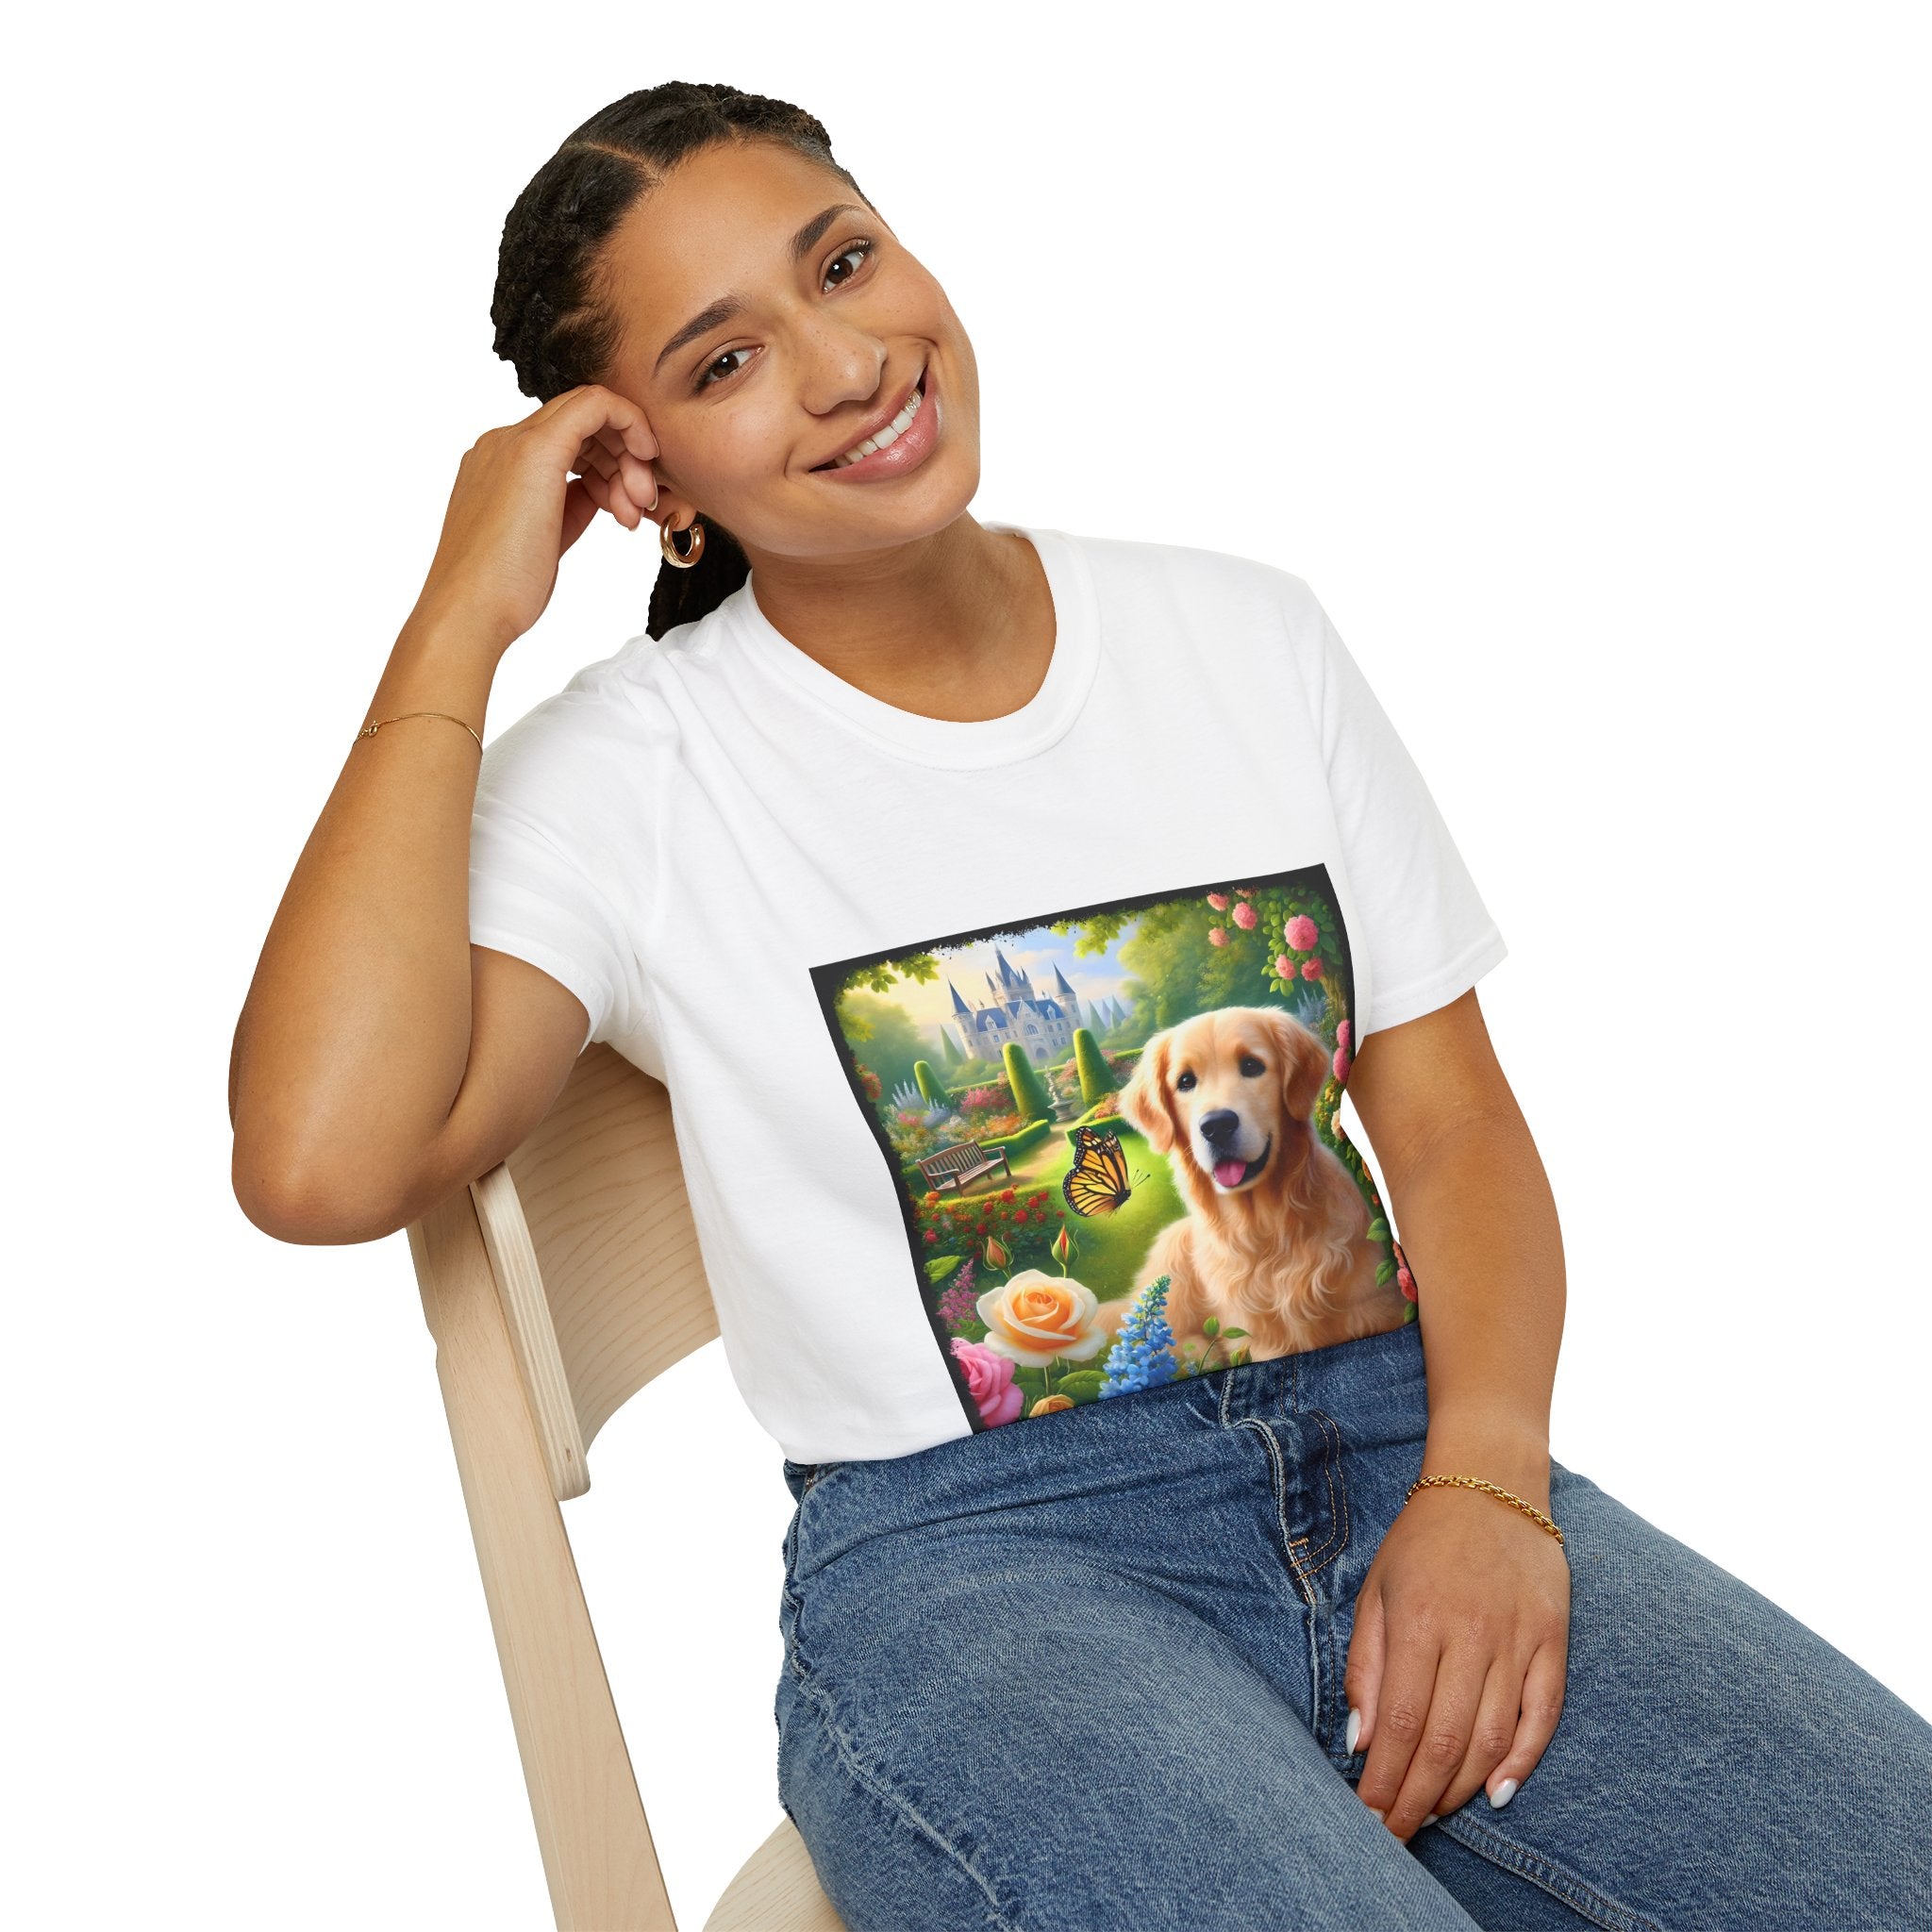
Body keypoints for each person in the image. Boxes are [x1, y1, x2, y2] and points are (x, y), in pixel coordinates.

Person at [228, 80, 1932, 1932]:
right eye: (725, 362)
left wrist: (1490, 1486)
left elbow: (1446, 1125)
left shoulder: (1242, 637)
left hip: (1402, 1447)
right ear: (648, 481)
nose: (845, 361)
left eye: (845, 263)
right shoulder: (634, 772)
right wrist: (455, 618)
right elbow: (321, 1158)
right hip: (984, 1571)